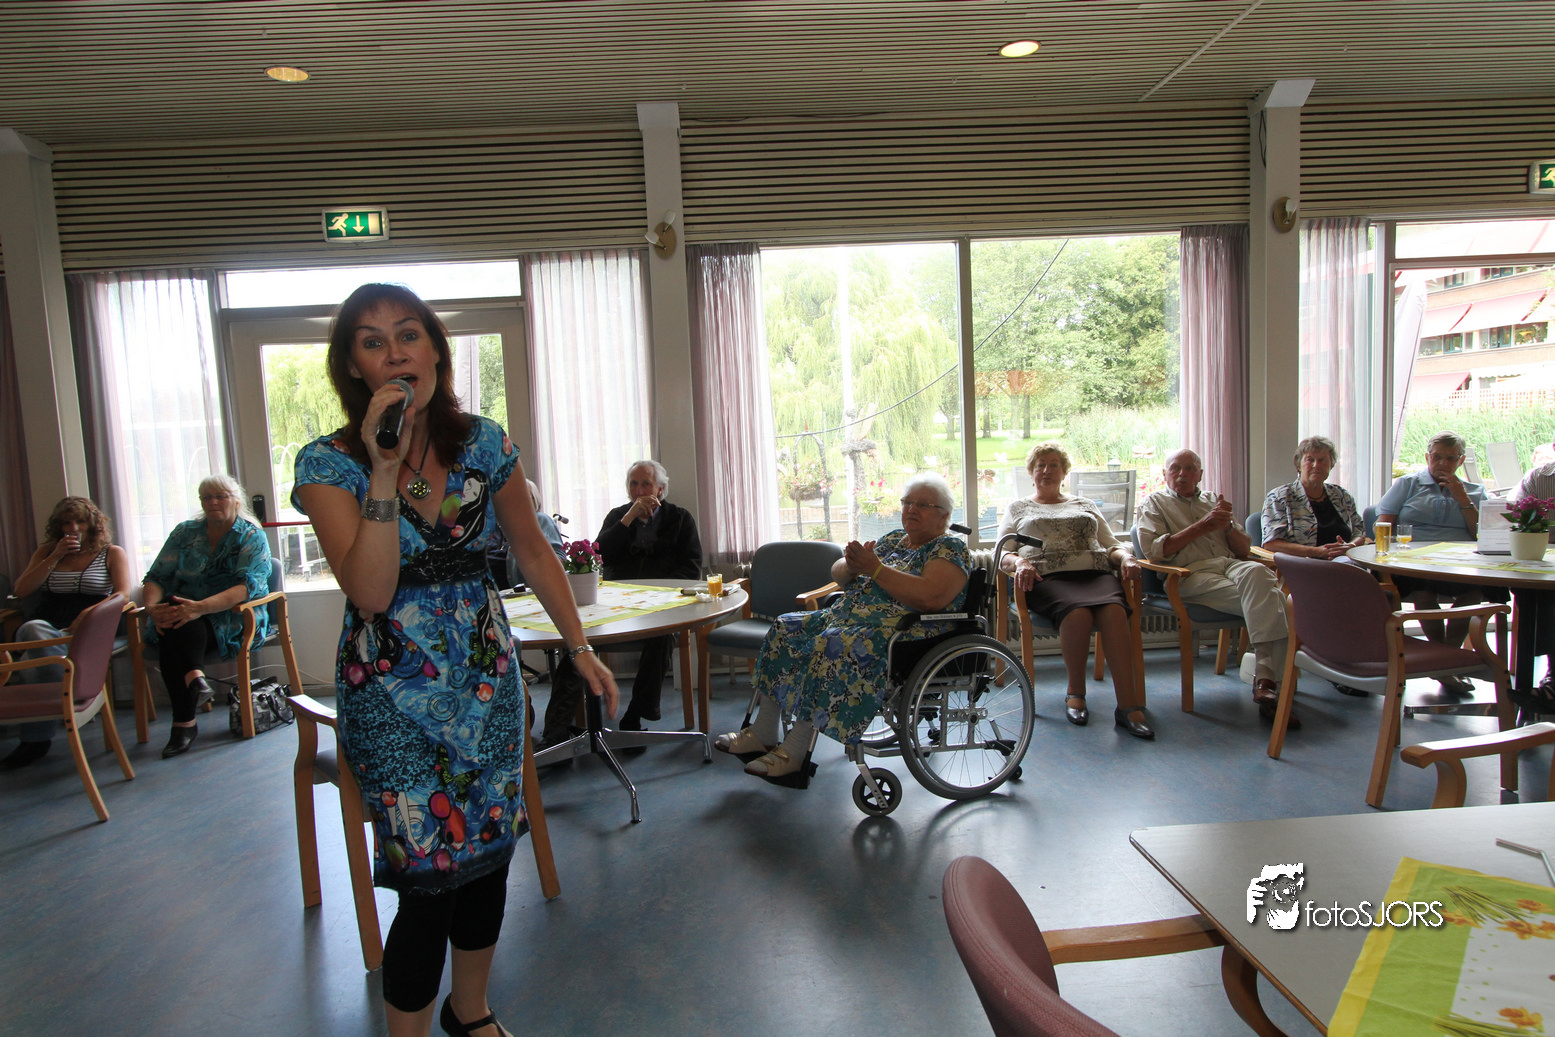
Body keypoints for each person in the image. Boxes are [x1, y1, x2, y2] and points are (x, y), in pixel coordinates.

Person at [293, 283, 616, 1037]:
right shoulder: (328, 464)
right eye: (372, 341)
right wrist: (382, 470)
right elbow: (371, 591)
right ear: (353, 366)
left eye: (408, 334)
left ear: (436, 350)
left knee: (490, 857)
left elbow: (532, 548)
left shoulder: (484, 443)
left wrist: (578, 645)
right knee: (427, 880)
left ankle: (469, 1011)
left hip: (485, 678)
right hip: (389, 693)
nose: (394, 352)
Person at [714, 473, 971, 780]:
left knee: (833, 643)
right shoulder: (892, 540)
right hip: (847, 618)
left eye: (923, 505)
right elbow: (838, 575)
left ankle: (794, 751)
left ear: (944, 515)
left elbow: (932, 597)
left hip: (904, 634)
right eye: (908, 502)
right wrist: (851, 564)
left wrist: (875, 569)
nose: (912, 509)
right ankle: (762, 731)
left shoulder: (948, 547)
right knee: (785, 627)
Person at [997, 442, 1151, 739]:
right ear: (1031, 472)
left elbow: (1112, 545)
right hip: (1047, 577)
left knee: (1115, 613)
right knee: (1077, 614)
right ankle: (1076, 693)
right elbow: (1003, 552)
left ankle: (1128, 706)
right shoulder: (1018, 508)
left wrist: (1127, 558)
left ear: (1064, 472)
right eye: (1040, 465)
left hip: (1095, 574)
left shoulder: (1085, 504)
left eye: (1054, 464)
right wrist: (1021, 563)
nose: (1046, 470)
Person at [1136, 449, 1298, 727]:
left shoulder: (1213, 501)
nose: (1182, 474)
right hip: (1189, 574)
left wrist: (1229, 526)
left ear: (1200, 474)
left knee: (1258, 571)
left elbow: (1244, 549)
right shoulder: (1154, 503)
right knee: (1278, 603)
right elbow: (1154, 551)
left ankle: (1267, 681)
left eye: (1190, 468)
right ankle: (1272, 688)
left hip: (1230, 565)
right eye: (1175, 468)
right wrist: (1204, 525)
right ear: (1165, 474)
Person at [142, 474, 273, 759]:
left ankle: (184, 724)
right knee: (175, 616)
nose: (213, 502)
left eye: (220, 496)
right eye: (206, 498)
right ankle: (195, 679)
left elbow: (247, 587)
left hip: (233, 616)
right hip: (183, 614)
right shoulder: (184, 532)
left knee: (175, 630)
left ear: (236, 500)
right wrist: (152, 609)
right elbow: (156, 577)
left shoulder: (250, 535)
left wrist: (199, 607)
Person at [2, 497, 132, 769]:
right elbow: (21, 590)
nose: (73, 528)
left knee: (32, 666)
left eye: (80, 522)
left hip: (90, 630)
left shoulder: (111, 552)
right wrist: (55, 556)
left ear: (92, 524)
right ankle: (72, 688)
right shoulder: (47, 551)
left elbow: (123, 594)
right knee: (33, 629)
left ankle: (35, 741)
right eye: (66, 523)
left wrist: (90, 613)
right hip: (50, 629)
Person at [1376, 430, 1491, 691]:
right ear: (1427, 457)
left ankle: (1443, 661)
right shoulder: (1408, 484)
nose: (1442, 463)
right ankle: (1447, 664)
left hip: (1459, 560)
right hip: (1412, 559)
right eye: (1437, 457)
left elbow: (1483, 534)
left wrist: (1462, 498)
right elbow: (1383, 523)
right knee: (1423, 590)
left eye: (1450, 458)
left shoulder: (1474, 491)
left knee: (1473, 590)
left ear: (1460, 461)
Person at [594, 460, 702, 732]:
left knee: (662, 636)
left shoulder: (680, 518)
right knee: (578, 637)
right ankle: (558, 729)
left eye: (646, 484)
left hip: (661, 605)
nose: (639, 491)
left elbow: (692, 568)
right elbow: (599, 555)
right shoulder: (617, 516)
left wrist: (657, 593)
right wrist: (627, 519)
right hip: (617, 604)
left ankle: (635, 714)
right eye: (634, 484)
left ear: (660, 489)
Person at [1260, 435, 1369, 559]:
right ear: (1298, 465)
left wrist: (1351, 546)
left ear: (1331, 465)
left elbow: (1360, 532)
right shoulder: (1279, 497)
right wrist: (1317, 552)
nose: (1316, 465)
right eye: (1310, 460)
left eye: (1322, 460)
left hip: (1345, 560)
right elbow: (1271, 543)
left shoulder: (1341, 495)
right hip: (1303, 563)